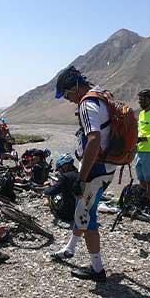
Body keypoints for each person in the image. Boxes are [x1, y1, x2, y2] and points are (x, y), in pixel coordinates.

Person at [50, 66, 115, 282]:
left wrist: (81, 177)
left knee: (87, 217)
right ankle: (69, 249)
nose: (68, 100)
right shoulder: (101, 95)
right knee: (82, 210)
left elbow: (94, 140)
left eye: (67, 95)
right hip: (106, 168)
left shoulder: (87, 104)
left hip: (94, 172)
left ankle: (97, 270)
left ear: (75, 87)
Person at [43, 154, 79, 224]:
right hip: (81, 211)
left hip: (67, 215)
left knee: (51, 195)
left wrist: (46, 190)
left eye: (60, 168)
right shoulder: (80, 174)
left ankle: (47, 201)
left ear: (65, 165)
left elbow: (52, 191)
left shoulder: (65, 177)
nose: (59, 171)